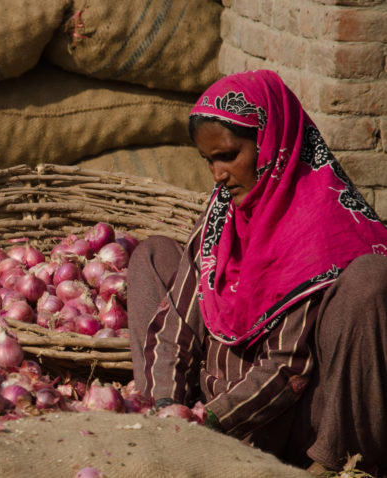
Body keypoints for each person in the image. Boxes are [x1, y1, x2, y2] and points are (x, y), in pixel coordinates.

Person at [127, 70, 387, 476]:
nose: (218, 175)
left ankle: (334, 464)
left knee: (372, 279)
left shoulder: (316, 225)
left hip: (288, 420)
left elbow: (287, 366)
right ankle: (154, 426)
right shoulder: (225, 210)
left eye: (229, 156)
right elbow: (179, 319)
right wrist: (166, 406)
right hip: (208, 404)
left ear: (270, 144)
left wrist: (209, 421)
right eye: (209, 160)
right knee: (153, 254)